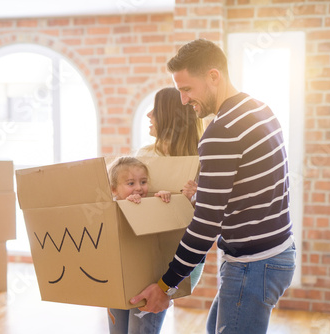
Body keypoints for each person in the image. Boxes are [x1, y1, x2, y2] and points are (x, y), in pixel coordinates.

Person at [130, 39, 296, 334]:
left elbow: (206, 225)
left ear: (213, 76)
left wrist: (165, 285)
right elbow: (260, 187)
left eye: (187, 89)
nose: (183, 101)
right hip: (279, 253)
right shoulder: (260, 109)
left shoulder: (221, 133)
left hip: (251, 265)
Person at [107, 88, 205, 334]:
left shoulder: (201, 161)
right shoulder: (143, 156)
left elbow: (204, 222)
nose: (149, 114)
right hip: (132, 254)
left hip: (166, 261)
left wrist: (189, 200)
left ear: (170, 116)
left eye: (156, 109)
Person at [107, 156, 171, 334]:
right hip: (118, 282)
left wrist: (163, 199)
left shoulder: (152, 203)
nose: (138, 188)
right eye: (130, 183)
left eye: (143, 182)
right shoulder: (111, 209)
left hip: (149, 285)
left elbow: (166, 226)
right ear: (114, 189)